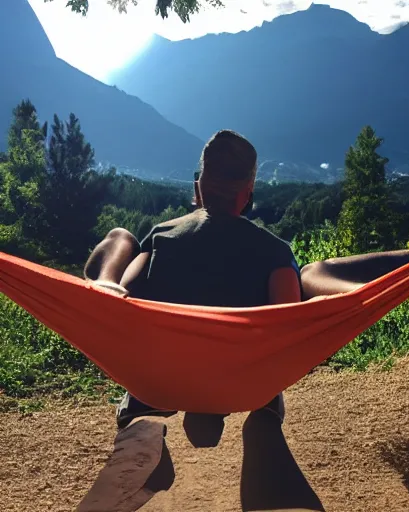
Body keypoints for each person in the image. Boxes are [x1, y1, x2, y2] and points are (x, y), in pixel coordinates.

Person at [81, 129, 325, 511]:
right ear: (248, 192)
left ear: (198, 188)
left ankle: (140, 425)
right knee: (266, 409)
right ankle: (264, 435)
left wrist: (109, 285)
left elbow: (130, 307)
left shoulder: (163, 237)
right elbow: (285, 331)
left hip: (159, 382)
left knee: (121, 236)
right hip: (246, 384)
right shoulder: (274, 252)